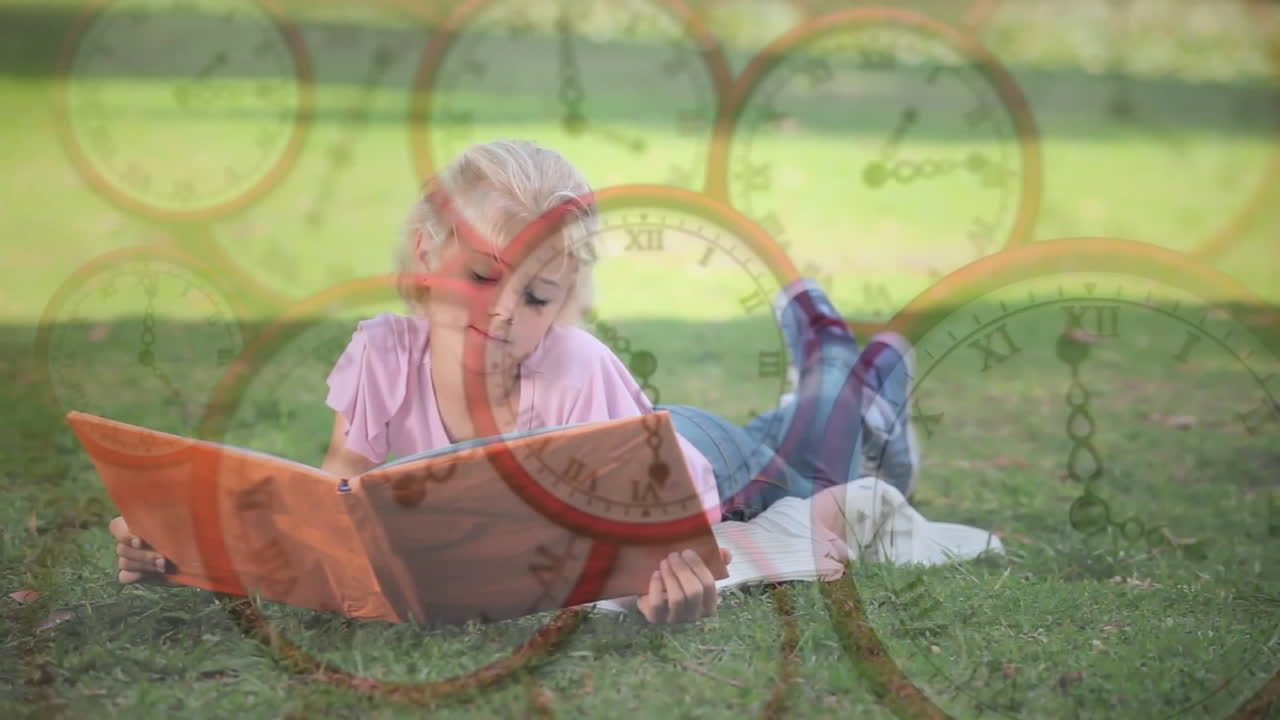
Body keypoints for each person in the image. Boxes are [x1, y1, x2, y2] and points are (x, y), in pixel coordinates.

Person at [107, 139, 920, 625]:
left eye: (535, 295)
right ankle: (830, 362)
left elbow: (665, 527)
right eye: (480, 277)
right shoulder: (382, 355)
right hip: (648, 450)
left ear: (564, 300)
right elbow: (340, 493)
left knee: (807, 471)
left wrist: (677, 580)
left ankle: (851, 370)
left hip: (685, 456)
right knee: (790, 438)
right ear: (426, 260)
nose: (501, 313)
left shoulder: (575, 369)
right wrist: (186, 544)